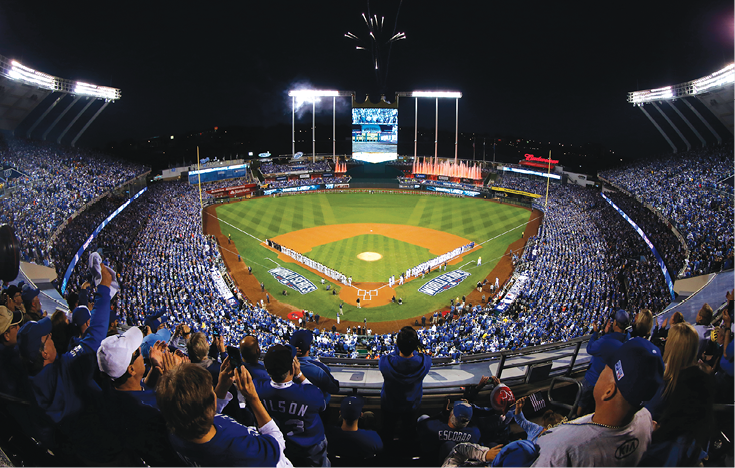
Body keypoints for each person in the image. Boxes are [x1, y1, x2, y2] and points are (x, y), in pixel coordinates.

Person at [531, 338, 664, 467]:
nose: (601, 370)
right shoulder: (646, 420)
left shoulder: (559, 446)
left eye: (606, 367)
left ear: (609, 391)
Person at [157, 363, 292, 467]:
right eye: (212, 390)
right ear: (212, 403)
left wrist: (221, 388)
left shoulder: (176, 430)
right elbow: (278, 443)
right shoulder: (238, 449)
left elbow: (201, 414)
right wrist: (253, 398)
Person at [256, 344, 329, 467]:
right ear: (292, 368)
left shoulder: (256, 388)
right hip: (309, 448)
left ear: (266, 369)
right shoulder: (309, 394)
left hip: (277, 448)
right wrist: (299, 375)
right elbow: (322, 404)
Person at [379, 326, 432, 444]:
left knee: (387, 430)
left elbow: (388, 356)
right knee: (409, 432)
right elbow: (424, 356)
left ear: (397, 344)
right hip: (412, 405)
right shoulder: (425, 362)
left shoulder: (385, 363)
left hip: (389, 404)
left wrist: (397, 349)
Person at [578, 309, 628, 415]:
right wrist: (607, 333)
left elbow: (590, 348)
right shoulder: (627, 339)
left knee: (581, 404)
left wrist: (595, 333)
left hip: (593, 379)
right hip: (610, 383)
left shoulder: (606, 341)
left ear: (615, 323)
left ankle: (575, 418)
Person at [417, 401, 481, 465]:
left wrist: (442, 414)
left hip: (435, 461)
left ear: (451, 415)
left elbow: (421, 425)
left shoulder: (433, 427)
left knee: (423, 417)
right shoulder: (474, 433)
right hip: (459, 463)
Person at [326, 396, 383, 462]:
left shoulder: (327, 435)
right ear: (361, 415)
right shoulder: (374, 438)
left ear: (340, 413)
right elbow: (380, 452)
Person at [290, 329, 340, 403]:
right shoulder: (319, 368)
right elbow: (334, 389)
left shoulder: (281, 365)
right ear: (309, 347)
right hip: (317, 409)